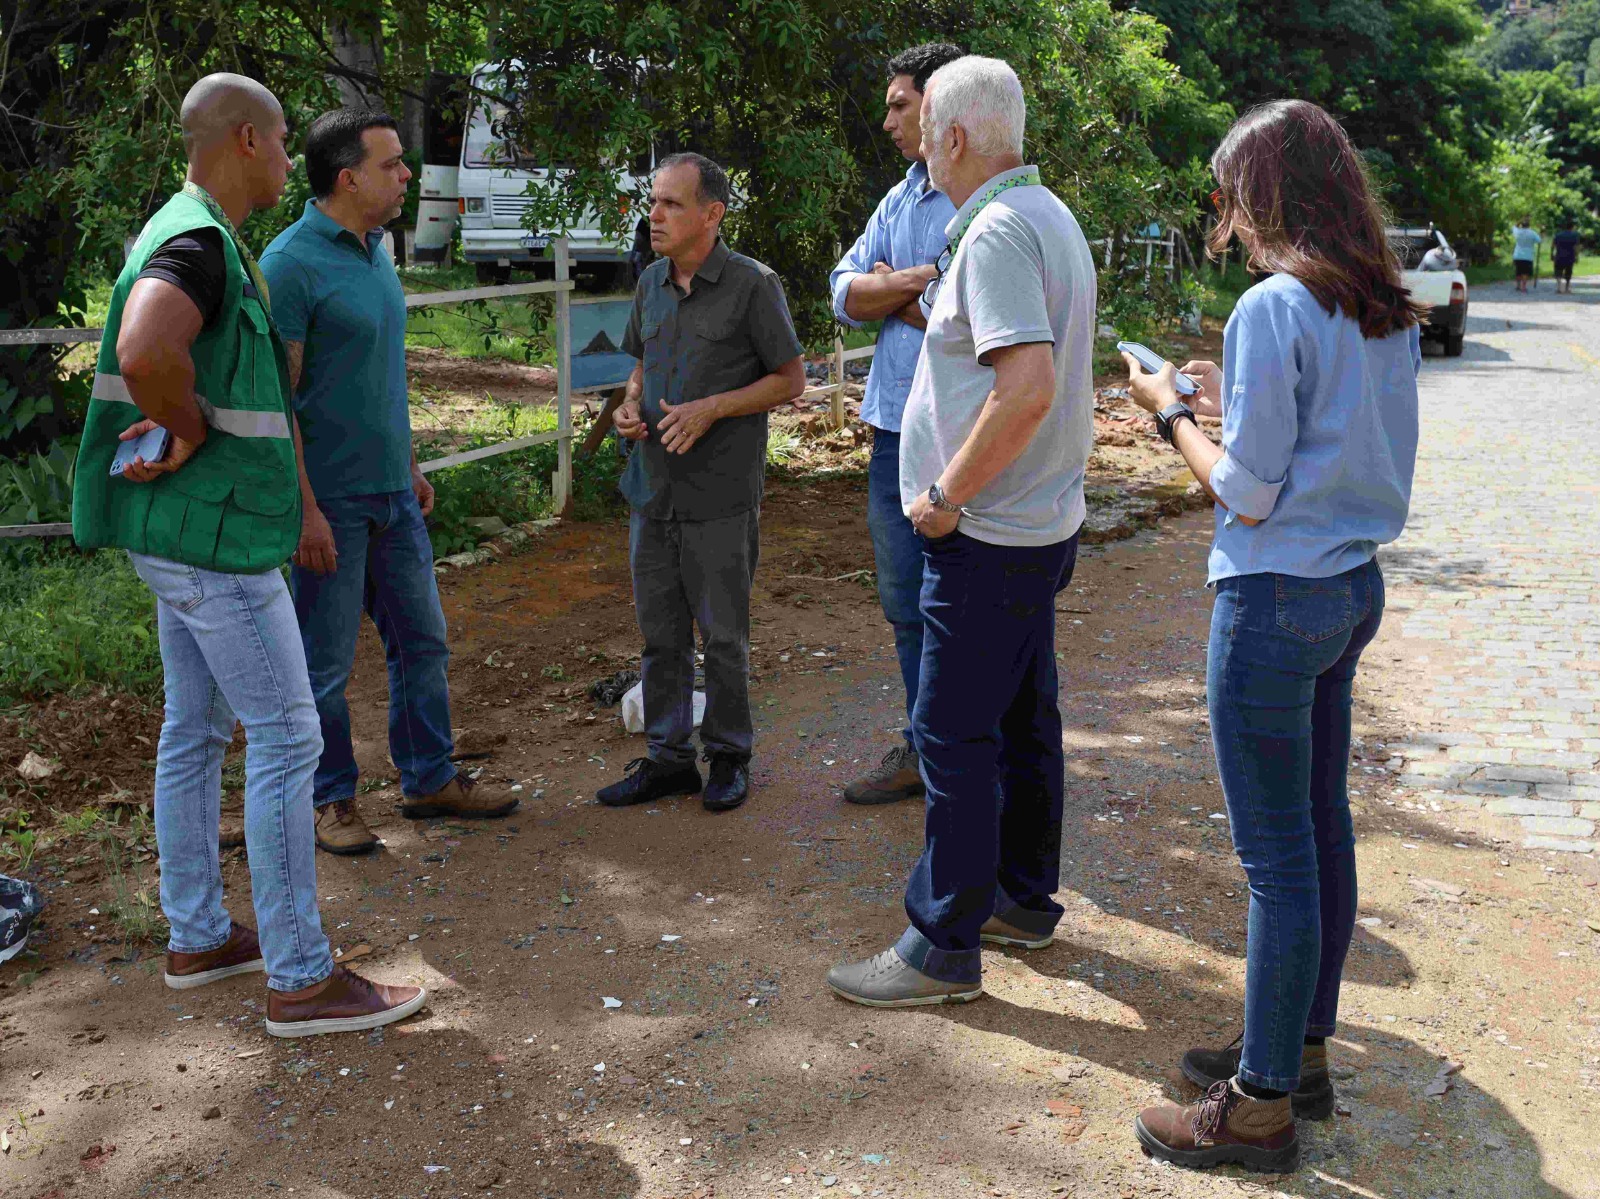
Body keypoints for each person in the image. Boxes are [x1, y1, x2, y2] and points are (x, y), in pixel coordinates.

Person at [70, 74, 423, 1036]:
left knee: (195, 727)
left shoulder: (185, 228)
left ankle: (198, 935)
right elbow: (147, 351)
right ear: (247, 141)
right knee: (288, 736)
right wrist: (183, 425)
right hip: (215, 535)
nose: (284, 156)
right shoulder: (200, 242)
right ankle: (302, 976)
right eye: (274, 138)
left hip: (182, 531)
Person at [1121, 100, 1421, 1172]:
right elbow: (1322, 445)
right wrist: (1217, 400)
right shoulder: (1379, 301)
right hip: (1348, 587)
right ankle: (1297, 1049)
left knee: (1275, 859)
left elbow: (1245, 491)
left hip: (1275, 595)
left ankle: (1255, 1106)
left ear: (1267, 191)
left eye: (1229, 192)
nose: (1227, 215)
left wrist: (1167, 410)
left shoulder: (1271, 305)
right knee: (1318, 828)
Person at [825, 56, 1096, 1006]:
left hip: (987, 528)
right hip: (1034, 522)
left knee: (949, 728)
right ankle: (1021, 898)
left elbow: (1026, 386)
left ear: (955, 137)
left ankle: (943, 943)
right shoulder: (1049, 216)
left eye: (925, 124)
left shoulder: (992, 233)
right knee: (1024, 717)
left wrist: (943, 493)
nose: (917, 143)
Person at [260, 108, 518, 856]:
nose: (408, 174)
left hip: (393, 494)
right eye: (393, 164)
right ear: (348, 177)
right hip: (329, 503)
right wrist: (304, 506)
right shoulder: (289, 264)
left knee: (422, 641)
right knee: (324, 663)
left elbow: (378, 376)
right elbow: (280, 402)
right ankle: (330, 799)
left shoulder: (376, 249)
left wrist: (409, 465)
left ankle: (428, 777)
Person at [594, 153, 806, 813]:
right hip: (650, 490)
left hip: (719, 496)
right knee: (660, 635)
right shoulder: (651, 282)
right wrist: (630, 408)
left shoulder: (753, 285)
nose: (653, 215)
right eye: (652, 202)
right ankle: (668, 758)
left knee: (722, 637)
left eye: (670, 204)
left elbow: (791, 381)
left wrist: (715, 407)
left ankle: (730, 757)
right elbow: (640, 367)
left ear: (711, 215)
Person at [828, 42, 963, 806]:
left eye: (899, 105)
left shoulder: (979, 199)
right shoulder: (903, 196)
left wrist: (898, 293)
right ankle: (923, 746)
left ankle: (960, 754)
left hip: (959, 437)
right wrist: (911, 284)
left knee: (962, 604)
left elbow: (963, 317)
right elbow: (843, 290)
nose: (886, 122)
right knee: (903, 601)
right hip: (891, 435)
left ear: (939, 105)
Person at [1512, 217, 1541, 292]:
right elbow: (1539, 240)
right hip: (1528, 256)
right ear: (1529, 225)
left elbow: (1514, 227)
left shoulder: (1518, 232)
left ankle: (1518, 285)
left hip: (1518, 254)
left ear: (1521, 225)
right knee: (1525, 272)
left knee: (1518, 271)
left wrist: (1519, 220)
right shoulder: (1532, 233)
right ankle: (1523, 287)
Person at [1552, 222, 1580, 294]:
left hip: (1559, 255)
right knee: (1568, 272)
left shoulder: (1558, 235)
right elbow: (1576, 247)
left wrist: (1552, 254)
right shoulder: (1574, 235)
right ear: (1572, 227)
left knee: (1558, 272)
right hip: (1570, 256)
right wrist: (1577, 256)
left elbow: (1553, 245)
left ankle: (1559, 287)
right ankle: (1567, 288)